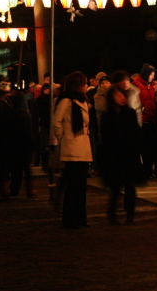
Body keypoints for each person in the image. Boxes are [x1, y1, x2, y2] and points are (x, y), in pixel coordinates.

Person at [51, 71, 92, 229]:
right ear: (78, 84)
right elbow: (57, 122)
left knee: (80, 185)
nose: (86, 86)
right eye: (84, 83)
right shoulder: (66, 100)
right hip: (72, 144)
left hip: (83, 145)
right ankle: (70, 219)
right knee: (74, 185)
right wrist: (63, 138)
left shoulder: (82, 100)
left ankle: (80, 217)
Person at [100, 86, 144, 224]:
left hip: (129, 154)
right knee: (116, 187)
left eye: (123, 95)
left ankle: (130, 214)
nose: (122, 98)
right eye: (119, 95)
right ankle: (111, 213)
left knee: (130, 187)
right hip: (114, 155)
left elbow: (137, 132)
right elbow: (105, 137)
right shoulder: (107, 115)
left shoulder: (130, 112)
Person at [0, 88, 34, 200]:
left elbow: (1, 131)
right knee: (21, 170)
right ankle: (23, 190)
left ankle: (6, 191)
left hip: (9, 145)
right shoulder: (24, 115)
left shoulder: (6, 113)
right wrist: (31, 144)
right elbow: (28, 131)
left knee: (7, 169)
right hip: (22, 145)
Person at [133, 63, 157, 180]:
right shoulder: (136, 86)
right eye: (151, 74)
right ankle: (142, 172)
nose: (153, 77)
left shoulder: (150, 86)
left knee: (151, 148)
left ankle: (148, 171)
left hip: (151, 121)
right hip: (142, 122)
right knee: (142, 148)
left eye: (154, 74)